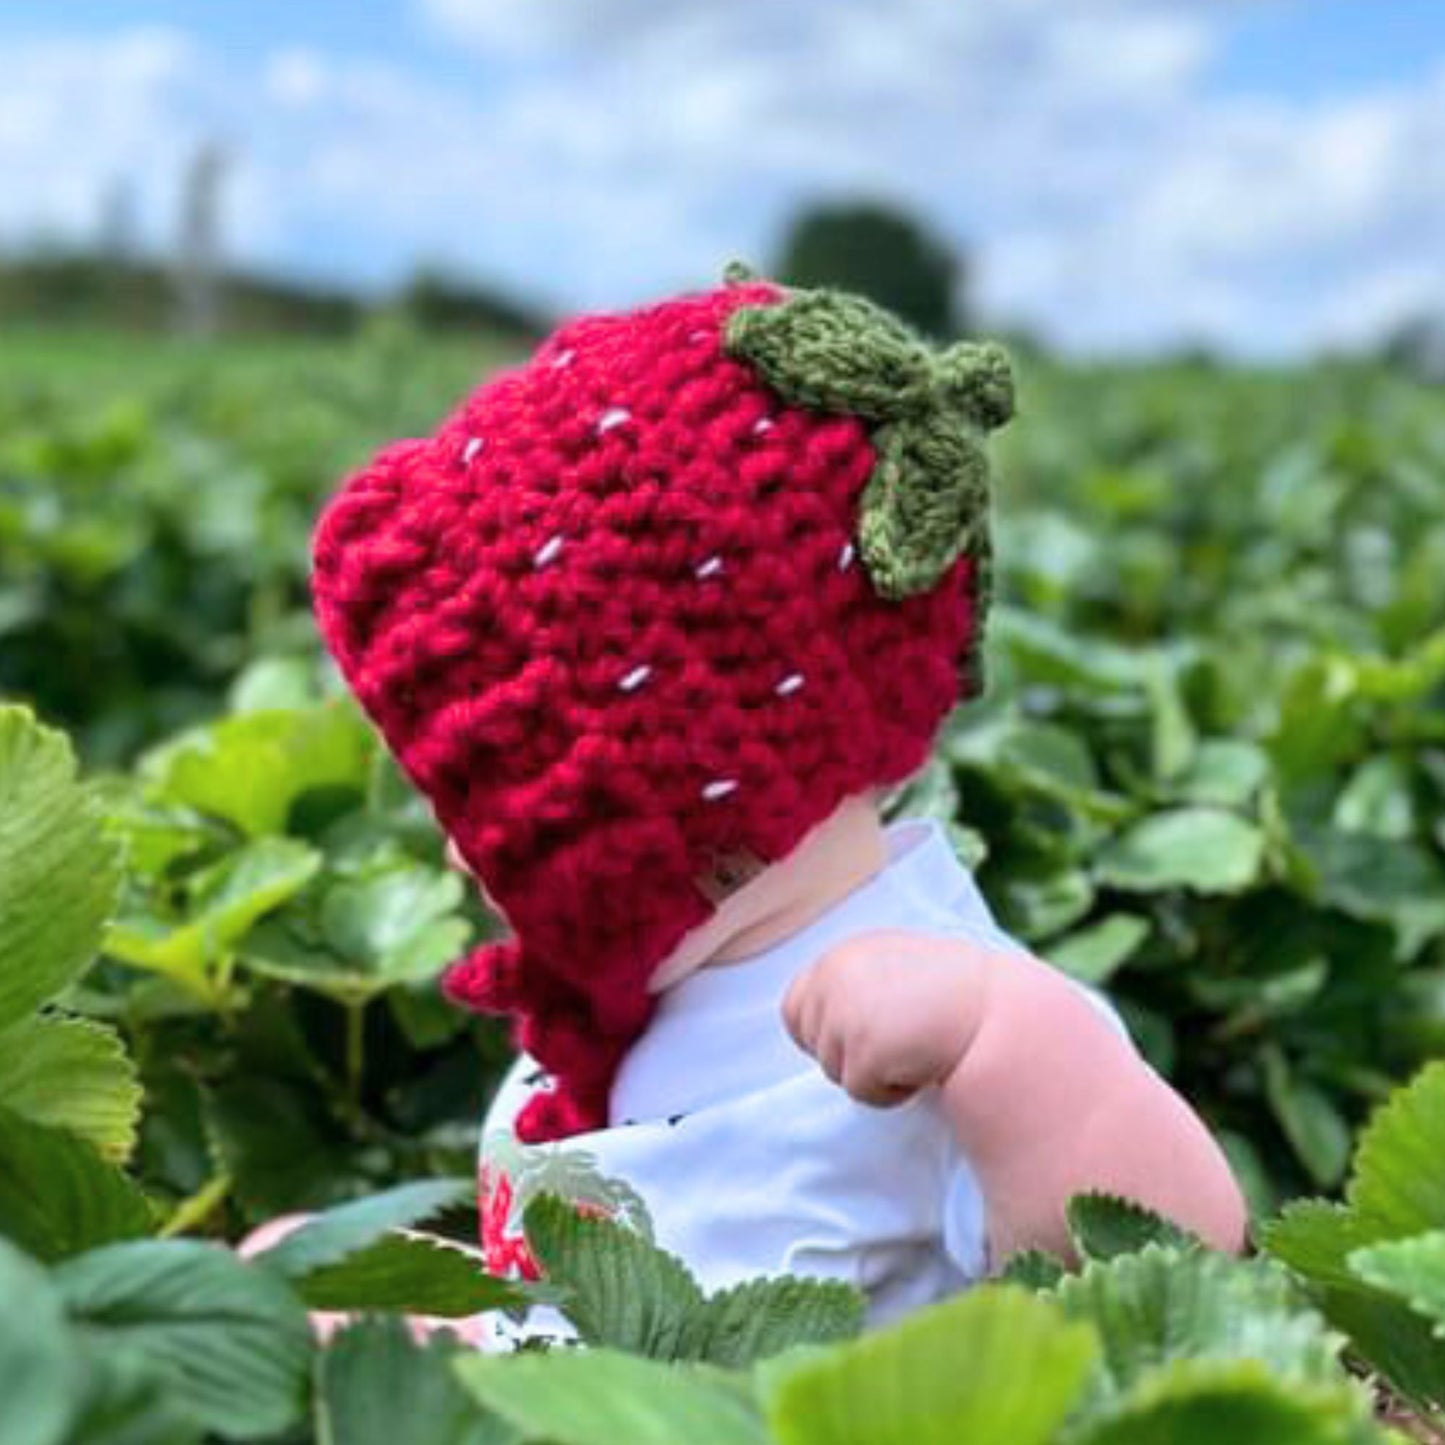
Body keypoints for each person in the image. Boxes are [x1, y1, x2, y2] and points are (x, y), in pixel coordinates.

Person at [311, 271, 1245, 1330]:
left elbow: (1185, 1256)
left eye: (499, 803)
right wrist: (421, 1319)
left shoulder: (941, 1032)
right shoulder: (638, 991)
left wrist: (1014, 1043)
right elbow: (577, 1316)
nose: (458, 856)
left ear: (686, 784)